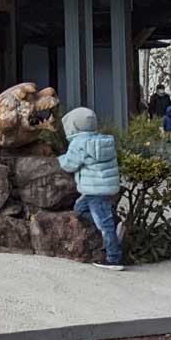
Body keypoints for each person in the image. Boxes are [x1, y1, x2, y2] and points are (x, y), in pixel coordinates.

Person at [58, 107, 123, 270]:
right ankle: (111, 225)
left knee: (103, 224)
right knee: (80, 209)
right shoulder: (104, 141)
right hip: (102, 188)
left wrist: (59, 159)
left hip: (94, 190)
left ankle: (113, 258)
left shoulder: (78, 144)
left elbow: (69, 164)